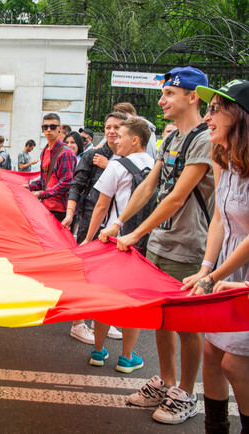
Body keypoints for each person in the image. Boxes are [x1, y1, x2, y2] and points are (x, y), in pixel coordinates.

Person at [99, 66, 214, 425]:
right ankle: (165, 383)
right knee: (162, 316)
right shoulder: (172, 139)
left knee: (187, 323)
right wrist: (118, 224)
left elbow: (178, 197)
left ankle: (186, 391)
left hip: (189, 244)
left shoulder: (204, 139)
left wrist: (134, 234)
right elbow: (150, 186)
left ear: (192, 97)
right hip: (162, 241)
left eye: (169, 94)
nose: (161, 101)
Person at [181, 79, 249, 434]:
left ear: (238, 117)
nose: (206, 116)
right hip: (226, 270)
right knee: (212, 358)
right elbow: (221, 218)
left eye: (214, 109)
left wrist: (215, 275)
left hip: (242, 274)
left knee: (237, 366)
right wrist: (206, 270)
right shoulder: (221, 157)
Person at [82, 117, 154, 374]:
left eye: (120, 135)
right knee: (132, 300)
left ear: (135, 140)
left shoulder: (116, 165)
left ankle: (98, 351)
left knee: (105, 297)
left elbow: (101, 206)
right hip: (142, 242)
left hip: (112, 241)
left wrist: (88, 240)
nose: (115, 139)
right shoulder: (156, 166)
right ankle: (127, 357)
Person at [60, 113, 128, 345]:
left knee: (110, 276)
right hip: (90, 220)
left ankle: (101, 319)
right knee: (86, 274)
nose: (111, 131)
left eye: (117, 127)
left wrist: (111, 166)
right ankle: (78, 323)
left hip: (118, 223)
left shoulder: (131, 157)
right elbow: (76, 186)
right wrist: (70, 213)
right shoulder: (91, 156)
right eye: (107, 126)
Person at [26, 113, 77, 222]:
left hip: (61, 209)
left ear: (60, 128)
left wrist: (41, 194)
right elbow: (45, 180)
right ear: (42, 129)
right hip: (45, 207)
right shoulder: (44, 151)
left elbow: (67, 182)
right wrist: (29, 187)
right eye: (45, 127)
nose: (49, 130)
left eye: (53, 127)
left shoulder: (66, 152)